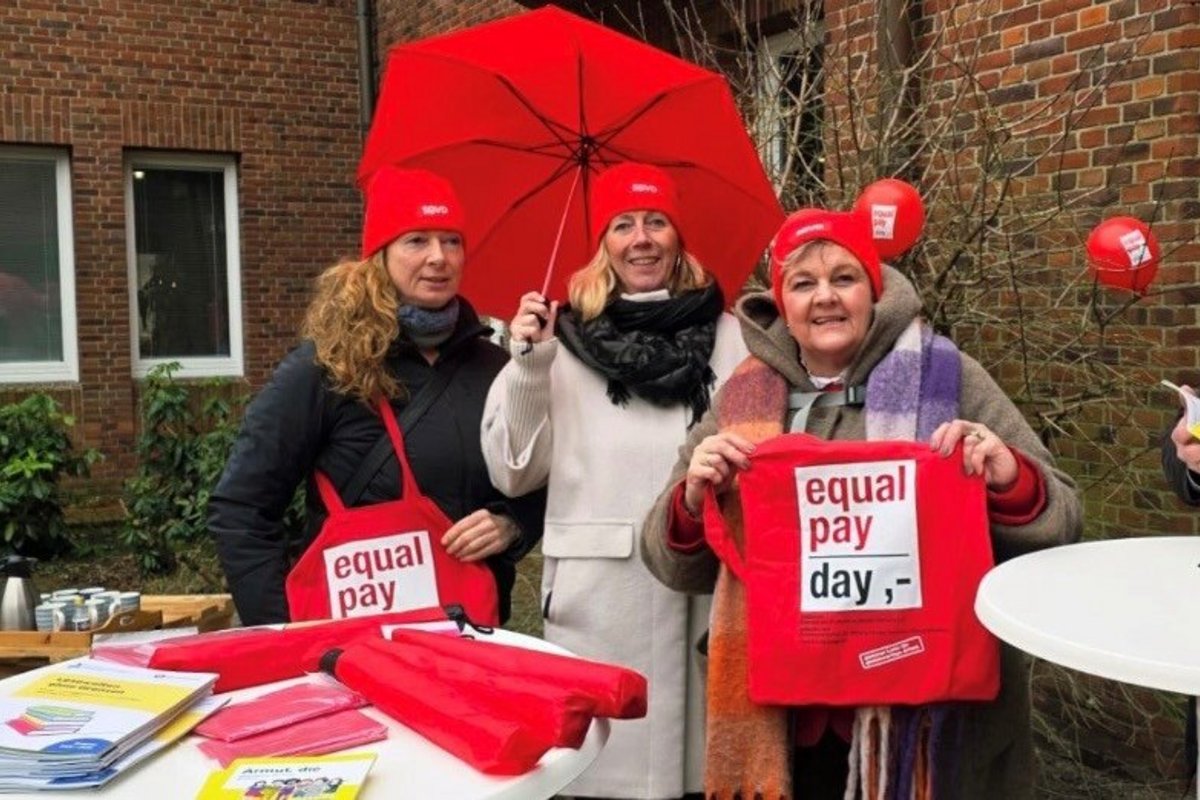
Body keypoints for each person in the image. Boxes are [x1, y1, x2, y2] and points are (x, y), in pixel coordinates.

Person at [642, 209, 1083, 798]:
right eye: (803, 284)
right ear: (783, 305)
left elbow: (1063, 518)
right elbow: (671, 563)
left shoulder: (948, 376)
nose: (824, 298)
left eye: (843, 278)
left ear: (874, 291)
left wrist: (1006, 476)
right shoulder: (740, 399)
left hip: (926, 725)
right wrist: (694, 500)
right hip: (788, 728)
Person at [481, 162, 750, 799]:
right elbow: (513, 473)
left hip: (705, 594)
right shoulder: (558, 339)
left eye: (656, 221)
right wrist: (528, 366)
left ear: (678, 237)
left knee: (704, 775)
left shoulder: (732, 339)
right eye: (623, 224)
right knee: (605, 774)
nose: (642, 238)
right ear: (602, 244)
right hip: (599, 602)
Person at [209, 166, 545, 626]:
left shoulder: (492, 367)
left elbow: (535, 477)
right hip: (354, 645)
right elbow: (241, 507)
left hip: (470, 634)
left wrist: (514, 523)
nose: (439, 257)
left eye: (451, 240)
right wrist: (283, 628)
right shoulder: (326, 366)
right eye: (416, 240)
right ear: (380, 255)